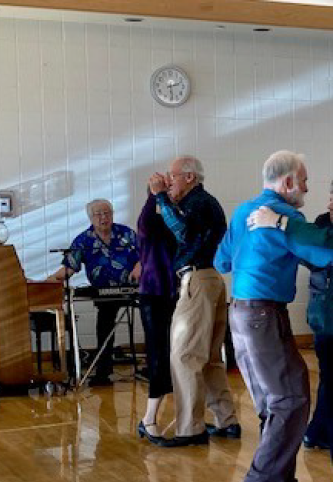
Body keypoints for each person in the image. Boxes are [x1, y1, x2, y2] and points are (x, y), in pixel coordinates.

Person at [216, 150, 333, 482]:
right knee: (291, 398)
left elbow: (222, 260)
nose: (306, 187)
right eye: (303, 181)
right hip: (263, 315)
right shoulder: (284, 215)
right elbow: (322, 255)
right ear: (287, 183)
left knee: (275, 401)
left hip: (240, 313)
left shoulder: (242, 211)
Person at [248, 175, 333, 482]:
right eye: (331, 198)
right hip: (326, 329)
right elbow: (316, 243)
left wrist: (280, 222)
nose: (330, 204)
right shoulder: (322, 224)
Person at [148, 155, 239, 447]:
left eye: (173, 176)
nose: (169, 180)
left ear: (189, 177)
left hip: (197, 280)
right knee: (211, 357)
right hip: (212, 279)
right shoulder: (202, 202)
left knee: (185, 355)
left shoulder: (198, 203)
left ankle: (190, 429)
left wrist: (160, 196)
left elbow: (183, 233)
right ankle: (226, 421)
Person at [49, 199, 140, 386]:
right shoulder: (83, 240)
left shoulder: (126, 234)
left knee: (153, 315)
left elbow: (146, 255)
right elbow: (69, 267)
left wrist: (139, 267)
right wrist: (47, 281)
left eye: (107, 213)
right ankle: (103, 372)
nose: (104, 217)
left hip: (134, 287)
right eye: (99, 214)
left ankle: (155, 368)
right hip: (104, 291)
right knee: (105, 320)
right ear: (91, 217)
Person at [135, 187, 179, 444]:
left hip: (174, 293)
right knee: (158, 355)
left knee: (178, 356)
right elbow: (147, 219)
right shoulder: (149, 222)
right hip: (154, 295)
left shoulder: (175, 220)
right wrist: (154, 194)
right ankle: (149, 418)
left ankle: (186, 417)